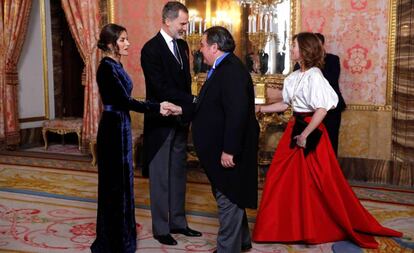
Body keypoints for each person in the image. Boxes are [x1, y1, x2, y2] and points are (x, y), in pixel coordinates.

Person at [252, 32, 402, 249]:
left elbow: (322, 109)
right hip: (295, 128)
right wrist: (261, 108)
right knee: (282, 178)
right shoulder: (294, 76)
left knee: (318, 181)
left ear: (304, 50)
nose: (291, 48)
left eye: (293, 45)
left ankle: (315, 226)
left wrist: (305, 135)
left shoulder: (315, 76)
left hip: (311, 130)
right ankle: (283, 226)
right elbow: (286, 104)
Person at [91, 23, 179, 253]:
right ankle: (113, 242)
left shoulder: (116, 65)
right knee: (114, 187)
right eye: (122, 40)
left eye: (126, 39)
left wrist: (155, 106)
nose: (127, 43)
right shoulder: (106, 68)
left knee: (123, 185)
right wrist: (156, 107)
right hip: (112, 130)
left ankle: (123, 237)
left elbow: (126, 102)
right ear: (111, 44)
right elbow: (123, 101)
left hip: (121, 126)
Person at [192, 26, 260, 253]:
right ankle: (242, 241)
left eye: (202, 45)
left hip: (227, 149)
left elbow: (237, 113)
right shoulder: (222, 68)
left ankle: (226, 249)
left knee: (228, 198)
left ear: (214, 47)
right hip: (218, 147)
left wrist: (229, 150)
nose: (199, 49)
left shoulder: (230, 70)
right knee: (230, 193)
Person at [140, 1, 201, 246]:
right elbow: (159, 87)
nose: (186, 28)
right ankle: (160, 228)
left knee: (178, 173)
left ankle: (178, 222)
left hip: (180, 119)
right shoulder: (150, 49)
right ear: (167, 20)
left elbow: (184, 81)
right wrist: (193, 100)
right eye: (183, 23)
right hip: (160, 120)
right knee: (160, 177)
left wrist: (187, 108)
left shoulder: (183, 46)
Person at [294, 33, 346, 155]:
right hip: (309, 111)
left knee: (330, 142)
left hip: (331, 110)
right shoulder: (300, 64)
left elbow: (331, 80)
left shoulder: (332, 60)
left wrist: (313, 68)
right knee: (310, 148)